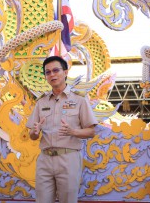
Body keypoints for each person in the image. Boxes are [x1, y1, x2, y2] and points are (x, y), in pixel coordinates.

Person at [26, 56, 98, 203]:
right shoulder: (41, 102)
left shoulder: (79, 100)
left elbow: (91, 131)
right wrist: (34, 132)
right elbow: (32, 135)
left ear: (65, 72)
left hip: (68, 158)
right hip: (45, 159)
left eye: (55, 70)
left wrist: (73, 132)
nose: (52, 75)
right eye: (48, 72)